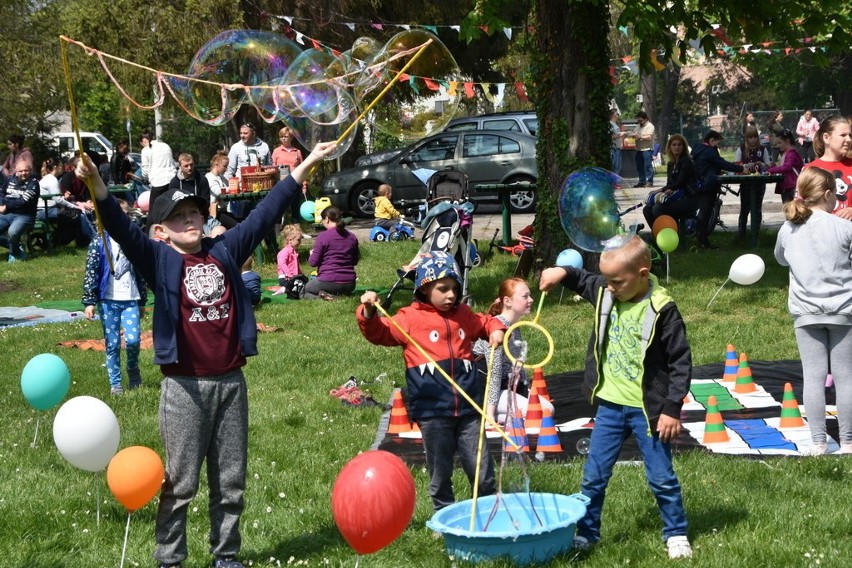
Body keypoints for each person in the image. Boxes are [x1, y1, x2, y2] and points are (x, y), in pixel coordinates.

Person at [75, 139, 338, 568]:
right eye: (178, 217)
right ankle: (170, 559)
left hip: (231, 382)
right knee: (180, 483)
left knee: (231, 481)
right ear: (160, 230)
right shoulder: (157, 259)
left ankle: (226, 555)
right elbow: (121, 229)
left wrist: (307, 162)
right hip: (184, 388)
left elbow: (266, 212)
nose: (190, 220)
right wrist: (97, 185)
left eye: (194, 212)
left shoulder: (223, 251)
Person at [538, 235, 692, 559]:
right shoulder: (607, 292)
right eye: (606, 280)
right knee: (594, 476)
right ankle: (587, 532)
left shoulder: (661, 309)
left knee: (661, 476)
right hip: (609, 405)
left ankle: (676, 533)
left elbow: (680, 361)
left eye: (617, 282)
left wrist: (671, 408)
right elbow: (582, 279)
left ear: (642, 273)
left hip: (647, 410)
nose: (609, 288)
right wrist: (560, 272)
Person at [356, 251, 506, 511]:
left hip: (469, 410)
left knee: (481, 467)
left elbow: (486, 321)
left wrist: (495, 331)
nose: (451, 295)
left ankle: (489, 512)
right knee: (440, 470)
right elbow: (379, 332)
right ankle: (443, 515)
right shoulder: (408, 318)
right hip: (432, 412)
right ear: (424, 289)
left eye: (454, 289)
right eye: (443, 289)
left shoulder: (463, 314)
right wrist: (368, 310)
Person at [774, 167, 852, 456]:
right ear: (829, 194)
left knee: (813, 378)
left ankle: (818, 442)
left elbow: (781, 260)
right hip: (844, 312)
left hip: (806, 314)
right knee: (846, 378)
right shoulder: (845, 227)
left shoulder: (788, 229)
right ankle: (848, 441)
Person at [82, 199, 148, 395]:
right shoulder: (99, 242)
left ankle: (133, 369)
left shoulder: (132, 241)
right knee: (112, 343)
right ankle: (116, 384)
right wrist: (89, 301)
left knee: (134, 340)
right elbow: (91, 272)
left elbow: (141, 272)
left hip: (130, 299)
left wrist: (142, 301)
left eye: (124, 215)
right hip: (108, 300)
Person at [472, 277, 555, 424]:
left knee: (548, 410)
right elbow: (494, 372)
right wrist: (489, 415)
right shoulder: (496, 328)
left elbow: (517, 363)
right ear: (507, 301)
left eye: (530, 295)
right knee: (536, 414)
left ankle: (502, 417)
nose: (530, 300)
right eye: (525, 296)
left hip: (505, 387)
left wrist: (524, 389)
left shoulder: (515, 326)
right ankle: (484, 415)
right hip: (484, 391)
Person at [690, 130, 747, 250]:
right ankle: (703, 241)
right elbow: (721, 163)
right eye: (718, 143)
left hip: (700, 184)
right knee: (705, 214)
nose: (718, 147)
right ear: (711, 141)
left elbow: (708, 166)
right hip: (709, 185)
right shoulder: (709, 151)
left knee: (704, 213)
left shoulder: (698, 150)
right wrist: (741, 168)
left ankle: (701, 239)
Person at [642, 134, 698, 231]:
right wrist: (667, 190)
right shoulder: (671, 164)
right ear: (669, 147)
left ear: (684, 147)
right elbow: (670, 184)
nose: (677, 147)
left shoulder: (687, 161)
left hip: (688, 199)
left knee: (657, 209)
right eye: (674, 145)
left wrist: (659, 190)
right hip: (675, 197)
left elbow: (680, 183)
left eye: (679, 145)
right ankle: (658, 235)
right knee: (647, 209)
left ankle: (672, 234)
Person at [304, 206, 359, 300]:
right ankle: (340, 296)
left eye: (322, 220)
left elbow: (313, 262)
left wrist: (311, 254)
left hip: (328, 281)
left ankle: (331, 298)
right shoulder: (352, 237)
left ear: (327, 219)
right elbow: (354, 261)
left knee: (305, 291)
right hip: (350, 284)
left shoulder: (323, 236)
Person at [806, 115, 852, 220]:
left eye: (850, 135)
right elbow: (801, 206)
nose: (849, 139)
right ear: (826, 137)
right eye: (843, 135)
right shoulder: (810, 169)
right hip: (821, 232)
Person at [166, 153, 223, 236]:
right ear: (180, 166)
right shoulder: (174, 183)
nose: (189, 168)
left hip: (201, 217)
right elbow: (172, 205)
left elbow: (206, 201)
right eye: (186, 166)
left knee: (220, 230)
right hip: (182, 218)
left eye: (191, 165)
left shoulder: (202, 179)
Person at [734, 125, 772, 247]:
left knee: (757, 208)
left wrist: (762, 164)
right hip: (745, 183)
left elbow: (768, 164)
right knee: (744, 209)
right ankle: (742, 235)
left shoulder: (763, 149)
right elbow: (736, 165)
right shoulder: (741, 149)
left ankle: (756, 233)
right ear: (746, 138)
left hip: (759, 183)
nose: (753, 139)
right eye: (750, 137)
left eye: (755, 137)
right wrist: (745, 166)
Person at [0, 158, 39, 261]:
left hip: (25, 215)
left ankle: (14, 251)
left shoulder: (34, 184)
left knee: (12, 232)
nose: (23, 173)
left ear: (31, 171)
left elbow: (22, 201)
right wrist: (1, 204)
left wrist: (6, 206)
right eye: (20, 171)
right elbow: (2, 193)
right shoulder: (9, 180)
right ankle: (15, 246)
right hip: (6, 214)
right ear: (16, 171)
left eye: (26, 170)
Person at [271, 126, 305, 224]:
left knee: (295, 208)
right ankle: (278, 232)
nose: (283, 139)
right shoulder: (276, 151)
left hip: (295, 182)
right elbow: (272, 167)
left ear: (291, 137)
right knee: (279, 207)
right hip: (281, 184)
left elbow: (302, 168)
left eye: (285, 136)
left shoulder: (297, 152)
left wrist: (304, 184)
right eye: (281, 137)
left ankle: (297, 230)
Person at [767, 129, 804, 204]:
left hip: (792, 186)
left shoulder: (792, 154)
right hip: (786, 187)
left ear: (787, 141)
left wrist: (773, 170)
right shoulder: (785, 153)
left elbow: (787, 167)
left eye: (780, 143)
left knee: (793, 210)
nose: (778, 145)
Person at [206, 150, 239, 229]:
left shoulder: (222, 177)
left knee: (241, 222)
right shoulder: (209, 177)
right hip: (215, 213)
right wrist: (234, 186)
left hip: (223, 211)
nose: (226, 169)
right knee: (237, 227)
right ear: (216, 164)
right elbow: (218, 191)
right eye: (224, 166)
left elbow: (229, 186)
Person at [140, 130, 177, 203]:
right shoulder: (165, 145)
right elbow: (172, 162)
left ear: (144, 141)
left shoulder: (145, 150)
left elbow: (145, 171)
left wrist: (145, 177)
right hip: (172, 180)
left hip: (158, 183)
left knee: (154, 210)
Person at [276, 224, 307, 299]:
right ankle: (285, 289)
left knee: (305, 283)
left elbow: (296, 266)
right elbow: (282, 263)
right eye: (298, 240)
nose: (300, 242)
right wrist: (288, 274)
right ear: (290, 240)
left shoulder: (293, 252)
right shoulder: (284, 251)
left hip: (293, 277)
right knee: (297, 287)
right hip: (285, 278)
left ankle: (288, 288)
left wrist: (301, 274)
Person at [633, 111, 656, 188]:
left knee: (647, 166)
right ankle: (642, 181)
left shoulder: (650, 126)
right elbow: (634, 133)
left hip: (647, 149)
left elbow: (649, 137)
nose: (639, 122)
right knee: (639, 166)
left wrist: (640, 136)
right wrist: (632, 135)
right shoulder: (638, 126)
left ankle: (649, 182)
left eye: (641, 120)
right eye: (638, 121)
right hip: (639, 149)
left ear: (645, 119)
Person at [609, 110, 624, 176]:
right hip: (613, 148)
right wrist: (620, 134)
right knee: (614, 165)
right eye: (617, 114)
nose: (618, 115)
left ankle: (616, 182)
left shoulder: (615, 124)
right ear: (613, 115)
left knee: (618, 166)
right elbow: (610, 136)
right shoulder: (610, 124)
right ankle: (614, 182)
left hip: (618, 147)